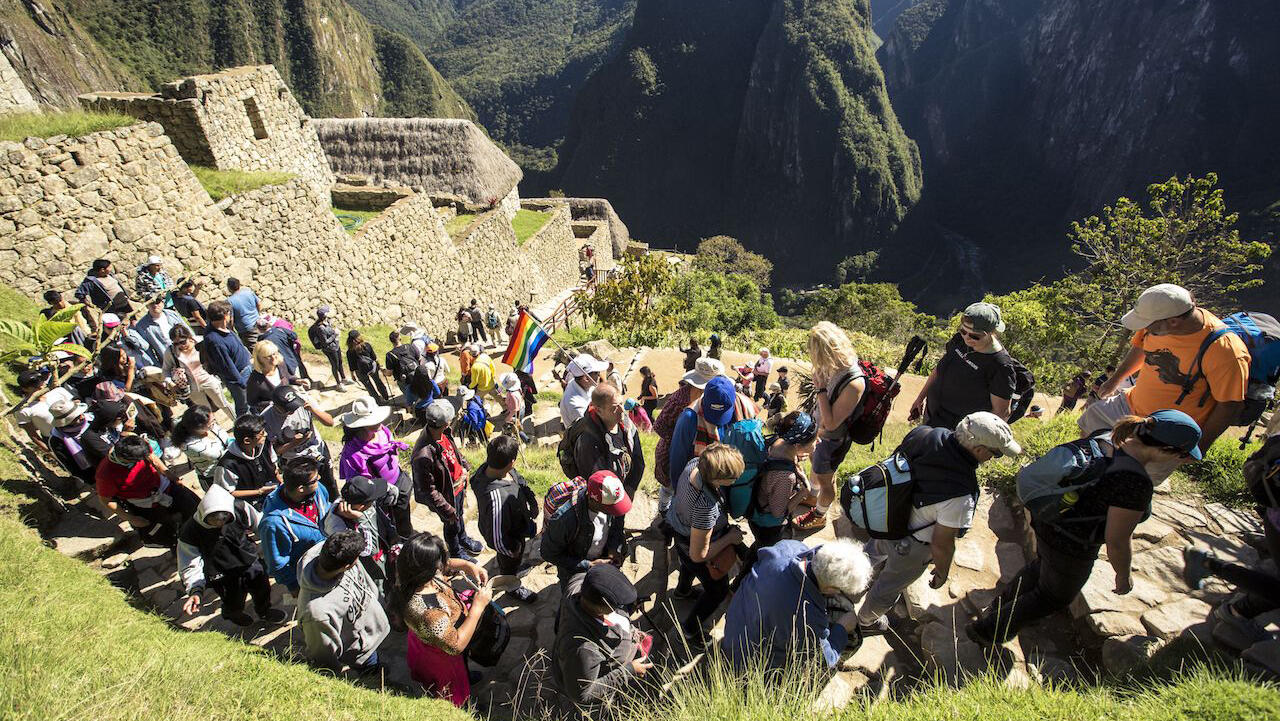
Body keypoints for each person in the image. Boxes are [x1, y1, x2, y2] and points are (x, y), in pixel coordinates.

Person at [968, 411, 1201, 646]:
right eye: (1182, 456)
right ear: (1168, 451)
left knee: (1041, 568)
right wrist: (1123, 575)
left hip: (1048, 517)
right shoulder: (1134, 482)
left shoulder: (1108, 436)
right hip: (1073, 544)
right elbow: (1118, 541)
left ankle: (1000, 606)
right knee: (1053, 596)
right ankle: (987, 631)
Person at [855, 412, 1021, 635]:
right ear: (979, 449)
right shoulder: (961, 493)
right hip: (911, 546)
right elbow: (942, 543)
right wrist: (942, 571)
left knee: (871, 554)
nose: (994, 457)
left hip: (888, 518)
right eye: (996, 453)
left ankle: (849, 583)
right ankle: (866, 621)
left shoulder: (924, 434)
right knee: (888, 586)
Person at [1078, 284, 1249, 483]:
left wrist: (1199, 447)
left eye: (1149, 324)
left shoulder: (1225, 352)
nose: (1145, 327)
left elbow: (1230, 405)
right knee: (1091, 421)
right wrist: (1115, 380)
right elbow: (1142, 348)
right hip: (1130, 403)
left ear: (1174, 321)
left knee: (1131, 483)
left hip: (1166, 432)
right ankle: (1085, 478)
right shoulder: (1157, 324)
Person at [722, 539, 872, 671]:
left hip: (735, 627)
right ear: (831, 589)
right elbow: (825, 659)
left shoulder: (788, 548)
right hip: (748, 664)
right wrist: (842, 628)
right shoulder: (808, 617)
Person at [392, 532, 491, 707]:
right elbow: (455, 645)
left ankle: (466, 676)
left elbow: (445, 564)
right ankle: (464, 707)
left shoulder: (410, 574)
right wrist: (478, 607)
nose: (443, 565)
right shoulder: (430, 612)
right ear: (429, 569)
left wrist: (468, 566)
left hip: (425, 644)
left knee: (462, 672)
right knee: (452, 692)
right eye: (439, 562)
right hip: (442, 659)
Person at [667, 444, 746, 644]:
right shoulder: (706, 506)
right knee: (717, 591)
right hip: (692, 544)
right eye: (732, 478)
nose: (735, 480)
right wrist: (731, 538)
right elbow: (698, 555)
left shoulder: (695, 464)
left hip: (680, 530)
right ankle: (690, 630)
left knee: (686, 564)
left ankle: (682, 590)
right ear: (717, 479)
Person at [177, 485, 287, 626]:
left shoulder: (240, 508)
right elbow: (189, 563)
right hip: (221, 574)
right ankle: (232, 614)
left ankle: (264, 611)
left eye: (224, 519)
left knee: (262, 588)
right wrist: (195, 590)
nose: (219, 523)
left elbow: (260, 525)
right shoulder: (189, 531)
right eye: (214, 519)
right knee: (232, 599)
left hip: (249, 561)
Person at [552, 564, 652, 716]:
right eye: (618, 604)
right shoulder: (582, 648)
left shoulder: (578, 584)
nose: (622, 606)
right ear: (604, 607)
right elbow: (582, 694)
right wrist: (628, 671)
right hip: (595, 678)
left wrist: (630, 612)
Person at [796, 321, 866, 531]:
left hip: (833, 439)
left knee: (827, 479)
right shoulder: (835, 364)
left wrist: (820, 389)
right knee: (816, 467)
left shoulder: (854, 383)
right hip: (821, 433)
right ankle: (814, 497)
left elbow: (833, 422)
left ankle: (819, 514)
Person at [910, 302, 1019, 430]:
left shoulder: (1000, 365)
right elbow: (940, 369)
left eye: (974, 336)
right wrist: (920, 398)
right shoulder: (959, 340)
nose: (966, 338)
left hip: (958, 431)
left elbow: (1001, 413)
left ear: (991, 333)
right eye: (963, 331)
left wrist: (971, 439)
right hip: (933, 415)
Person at [296, 530, 390, 673]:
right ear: (347, 566)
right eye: (357, 558)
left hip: (373, 625)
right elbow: (324, 658)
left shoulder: (332, 553)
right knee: (372, 671)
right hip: (362, 651)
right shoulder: (316, 614)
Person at [412, 400, 484, 561]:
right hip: (445, 495)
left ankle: (463, 538)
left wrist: (464, 464)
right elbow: (428, 490)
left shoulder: (444, 433)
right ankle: (455, 552)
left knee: (459, 515)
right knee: (451, 522)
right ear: (446, 422)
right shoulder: (423, 455)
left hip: (456, 488)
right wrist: (446, 509)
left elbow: (454, 452)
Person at [96, 433, 199, 544]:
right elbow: (106, 500)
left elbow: (153, 458)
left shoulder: (137, 445)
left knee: (195, 508)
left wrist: (171, 476)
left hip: (164, 486)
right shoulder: (105, 474)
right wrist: (130, 518)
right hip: (145, 504)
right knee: (167, 532)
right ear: (128, 459)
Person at [470, 435, 539, 602]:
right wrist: (512, 550)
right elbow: (496, 537)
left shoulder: (495, 467)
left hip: (517, 522)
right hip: (509, 537)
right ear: (512, 462)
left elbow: (520, 481)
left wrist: (531, 500)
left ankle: (510, 567)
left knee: (510, 559)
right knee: (509, 562)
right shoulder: (495, 498)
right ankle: (511, 586)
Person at [745, 412, 817, 570]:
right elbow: (778, 513)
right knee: (763, 554)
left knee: (758, 546)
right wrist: (804, 492)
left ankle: (751, 554)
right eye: (814, 439)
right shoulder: (785, 477)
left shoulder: (778, 441)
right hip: (768, 526)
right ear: (797, 446)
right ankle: (740, 584)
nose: (817, 441)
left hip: (756, 511)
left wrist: (795, 457)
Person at [667, 375, 757, 496]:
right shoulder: (689, 418)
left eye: (722, 414)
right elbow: (678, 458)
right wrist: (679, 491)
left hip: (729, 481)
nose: (717, 421)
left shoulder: (745, 408)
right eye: (713, 413)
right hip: (698, 484)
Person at [654, 359, 722, 519]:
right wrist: (680, 436)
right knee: (670, 486)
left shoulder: (711, 399)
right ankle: (664, 512)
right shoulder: (679, 400)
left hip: (693, 453)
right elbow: (659, 426)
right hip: (672, 451)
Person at [338, 396, 414, 538]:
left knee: (404, 516)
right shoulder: (353, 453)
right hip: (384, 493)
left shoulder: (382, 431)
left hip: (400, 480)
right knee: (392, 524)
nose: (379, 422)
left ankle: (406, 534)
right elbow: (358, 484)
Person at [541, 470, 631, 587]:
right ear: (592, 500)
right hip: (574, 569)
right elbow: (548, 553)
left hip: (602, 558)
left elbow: (617, 524)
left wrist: (613, 549)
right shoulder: (564, 520)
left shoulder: (612, 500)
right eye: (611, 508)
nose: (615, 511)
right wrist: (588, 565)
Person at [259, 456, 333, 596]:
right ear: (300, 488)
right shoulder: (274, 524)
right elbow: (278, 563)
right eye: (315, 479)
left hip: (325, 561)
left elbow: (327, 507)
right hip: (305, 574)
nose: (320, 478)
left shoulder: (317, 490)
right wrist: (294, 587)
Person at [323, 474, 397, 594]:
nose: (374, 502)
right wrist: (361, 520)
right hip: (372, 567)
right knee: (380, 591)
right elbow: (368, 551)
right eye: (372, 500)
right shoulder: (337, 529)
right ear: (361, 506)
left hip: (385, 554)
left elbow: (388, 493)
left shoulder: (352, 501)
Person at [262, 385, 338, 498]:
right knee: (308, 491)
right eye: (288, 408)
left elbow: (330, 422)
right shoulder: (266, 418)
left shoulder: (304, 401)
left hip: (317, 450)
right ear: (276, 406)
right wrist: (294, 443)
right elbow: (276, 451)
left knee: (330, 484)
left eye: (294, 406)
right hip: (295, 461)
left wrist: (313, 410)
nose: (293, 410)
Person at [573, 383, 646, 496]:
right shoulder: (588, 440)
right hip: (604, 499)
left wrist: (629, 491)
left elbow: (638, 461)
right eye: (615, 407)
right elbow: (595, 481)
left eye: (621, 403)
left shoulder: (627, 425)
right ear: (598, 410)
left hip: (624, 493)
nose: (622, 410)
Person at [162, 325, 233, 422]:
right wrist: (170, 382)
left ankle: (237, 421)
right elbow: (165, 370)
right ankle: (218, 433)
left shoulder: (200, 342)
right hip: (192, 388)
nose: (180, 346)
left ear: (189, 337)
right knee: (205, 413)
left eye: (183, 342)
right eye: (176, 343)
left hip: (208, 379)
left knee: (223, 404)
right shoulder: (170, 352)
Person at [211, 413, 282, 506]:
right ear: (247, 440)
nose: (266, 434)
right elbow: (228, 492)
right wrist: (259, 491)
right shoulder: (227, 465)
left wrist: (281, 483)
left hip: (273, 494)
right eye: (262, 433)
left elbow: (273, 467)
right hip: (251, 505)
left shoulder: (264, 444)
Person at [203, 300, 252, 418]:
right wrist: (240, 382)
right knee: (243, 407)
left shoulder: (223, 328)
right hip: (239, 377)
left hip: (246, 368)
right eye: (229, 314)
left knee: (252, 401)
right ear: (225, 316)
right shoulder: (215, 340)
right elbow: (226, 365)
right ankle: (244, 427)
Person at [170, 405, 230, 490]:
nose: (215, 422)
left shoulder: (209, 426)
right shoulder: (191, 445)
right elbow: (218, 455)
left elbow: (226, 438)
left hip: (228, 467)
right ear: (199, 427)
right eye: (212, 422)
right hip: (215, 477)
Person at [15, 369, 74, 454]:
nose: (41, 387)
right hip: (57, 442)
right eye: (36, 387)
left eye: (42, 383)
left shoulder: (58, 391)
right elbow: (32, 433)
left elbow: (76, 405)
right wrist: (48, 450)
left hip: (78, 430)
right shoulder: (23, 409)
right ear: (25, 389)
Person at [47, 397, 101, 485]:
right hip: (95, 473)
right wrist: (93, 482)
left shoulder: (92, 419)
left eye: (80, 413)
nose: (82, 416)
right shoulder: (57, 440)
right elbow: (72, 466)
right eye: (76, 417)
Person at [246, 340, 305, 411]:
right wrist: (272, 403)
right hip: (273, 413)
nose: (273, 358)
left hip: (290, 407)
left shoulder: (280, 365)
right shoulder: (255, 380)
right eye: (268, 356)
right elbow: (252, 402)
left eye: (274, 354)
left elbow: (288, 377)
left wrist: (298, 380)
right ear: (259, 359)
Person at [560, 353, 606, 428]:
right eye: (597, 372)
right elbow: (592, 428)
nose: (599, 375)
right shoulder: (577, 406)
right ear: (586, 378)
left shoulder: (582, 384)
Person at [308, 306, 349, 390]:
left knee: (340, 362)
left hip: (336, 345)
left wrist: (334, 333)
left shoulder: (327, 322)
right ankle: (339, 383)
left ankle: (344, 378)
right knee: (335, 365)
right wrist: (335, 334)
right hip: (330, 349)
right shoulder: (320, 328)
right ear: (325, 315)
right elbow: (325, 342)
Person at [346, 330, 390, 403]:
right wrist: (379, 365)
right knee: (378, 381)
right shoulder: (366, 345)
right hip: (372, 368)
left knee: (369, 387)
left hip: (360, 371)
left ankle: (377, 401)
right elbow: (374, 357)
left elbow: (352, 366)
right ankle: (386, 397)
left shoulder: (349, 352)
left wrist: (352, 375)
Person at [225, 277, 261, 347]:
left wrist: (232, 331)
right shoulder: (249, 293)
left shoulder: (229, 301)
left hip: (246, 329)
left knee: (254, 349)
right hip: (258, 323)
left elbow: (231, 319)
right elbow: (259, 304)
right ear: (239, 285)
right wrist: (257, 315)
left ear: (229, 288)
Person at [495, 372, 528, 440]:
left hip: (516, 412)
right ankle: (517, 438)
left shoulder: (512, 395)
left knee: (516, 427)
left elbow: (515, 409)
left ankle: (526, 440)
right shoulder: (517, 388)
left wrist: (508, 417)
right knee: (518, 424)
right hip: (521, 408)